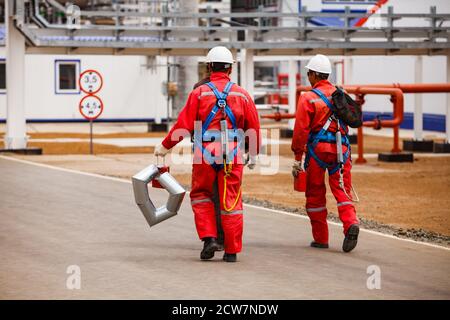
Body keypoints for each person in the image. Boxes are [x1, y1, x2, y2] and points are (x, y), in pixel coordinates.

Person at [154, 46, 260, 262]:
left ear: (209, 67)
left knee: (202, 195)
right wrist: (254, 153)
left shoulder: (199, 93)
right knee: (231, 201)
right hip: (233, 155)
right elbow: (253, 127)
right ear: (230, 68)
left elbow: (182, 125)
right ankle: (231, 251)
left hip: (204, 154)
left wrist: (165, 146)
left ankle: (209, 239)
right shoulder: (242, 94)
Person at [291, 54, 360, 253]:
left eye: (308, 73)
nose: (307, 77)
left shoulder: (308, 98)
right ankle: (351, 223)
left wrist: (297, 157)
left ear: (313, 74)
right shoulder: (341, 94)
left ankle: (321, 239)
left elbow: (300, 131)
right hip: (341, 151)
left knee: (314, 194)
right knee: (342, 190)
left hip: (317, 152)